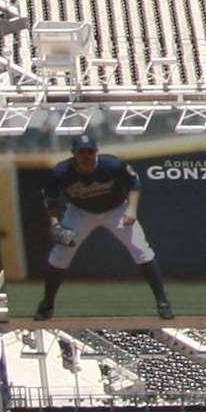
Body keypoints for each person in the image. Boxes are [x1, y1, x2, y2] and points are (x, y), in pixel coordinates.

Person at [33, 133, 173, 321]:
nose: (86, 156)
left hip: (116, 210)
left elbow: (134, 184)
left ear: (96, 151)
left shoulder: (111, 164)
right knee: (60, 255)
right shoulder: (61, 172)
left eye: (90, 151)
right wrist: (55, 224)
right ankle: (47, 304)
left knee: (141, 249)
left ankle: (163, 302)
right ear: (74, 154)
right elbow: (50, 200)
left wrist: (131, 209)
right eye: (81, 152)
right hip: (80, 212)